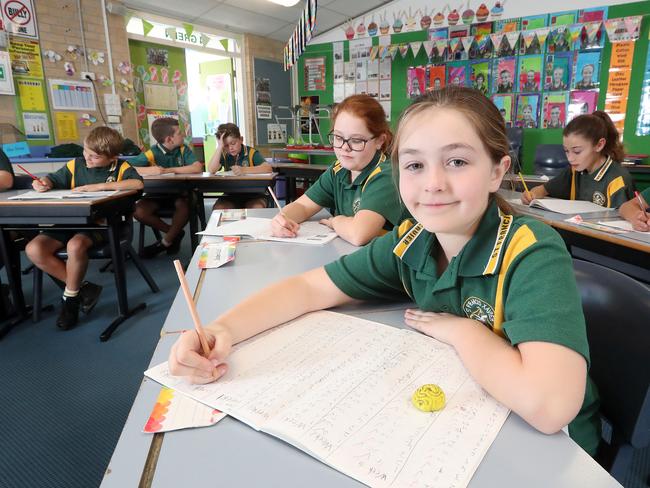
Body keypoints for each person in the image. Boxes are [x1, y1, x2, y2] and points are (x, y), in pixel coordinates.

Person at [167, 87, 601, 457]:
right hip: (469, 418)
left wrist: (463, 332)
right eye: (414, 165)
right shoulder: (412, 240)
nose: (432, 183)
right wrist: (222, 330)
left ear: (496, 171)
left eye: (457, 162)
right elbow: (307, 287)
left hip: (557, 451)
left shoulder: (531, 250)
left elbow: (551, 406)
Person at [25, 127, 144, 330]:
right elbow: (52, 179)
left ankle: (70, 301)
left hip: (100, 225)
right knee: (34, 249)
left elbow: (138, 184)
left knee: (75, 245)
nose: (87, 159)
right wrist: (43, 183)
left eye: (95, 157)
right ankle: (84, 289)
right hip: (68, 222)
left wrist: (97, 187)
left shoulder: (120, 168)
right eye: (85, 152)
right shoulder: (75, 165)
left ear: (112, 157)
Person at [271, 95, 403, 246]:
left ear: (379, 141)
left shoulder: (386, 174)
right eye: (338, 138)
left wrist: (336, 221)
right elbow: (303, 206)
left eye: (356, 140)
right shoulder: (338, 170)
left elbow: (358, 234)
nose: (345, 147)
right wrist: (283, 218)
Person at [522, 111, 634, 208]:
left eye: (577, 151)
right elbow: (544, 189)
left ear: (599, 145)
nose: (570, 158)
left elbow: (620, 223)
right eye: (566, 151)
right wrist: (531, 195)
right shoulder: (574, 170)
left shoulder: (618, 180)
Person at [131, 117, 204, 258]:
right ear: (170, 139)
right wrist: (151, 171)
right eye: (179, 133)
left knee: (184, 205)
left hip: (181, 195)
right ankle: (175, 234)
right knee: (138, 210)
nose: (183, 135)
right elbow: (128, 167)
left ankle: (165, 241)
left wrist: (168, 170)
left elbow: (197, 167)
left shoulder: (183, 150)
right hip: (157, 195)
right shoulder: (152, 153)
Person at [207, 123, 273, 209]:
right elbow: (212, 170)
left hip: (254, 194)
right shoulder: (224, 154)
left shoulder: (251, 153)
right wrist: (220, 147)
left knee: (256, 208)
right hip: (231, 195)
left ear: (241, 139)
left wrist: (244, 170)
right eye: (226, 145)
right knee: (219, 208)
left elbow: (268, 168)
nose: (230, 148)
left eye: (233, 143)